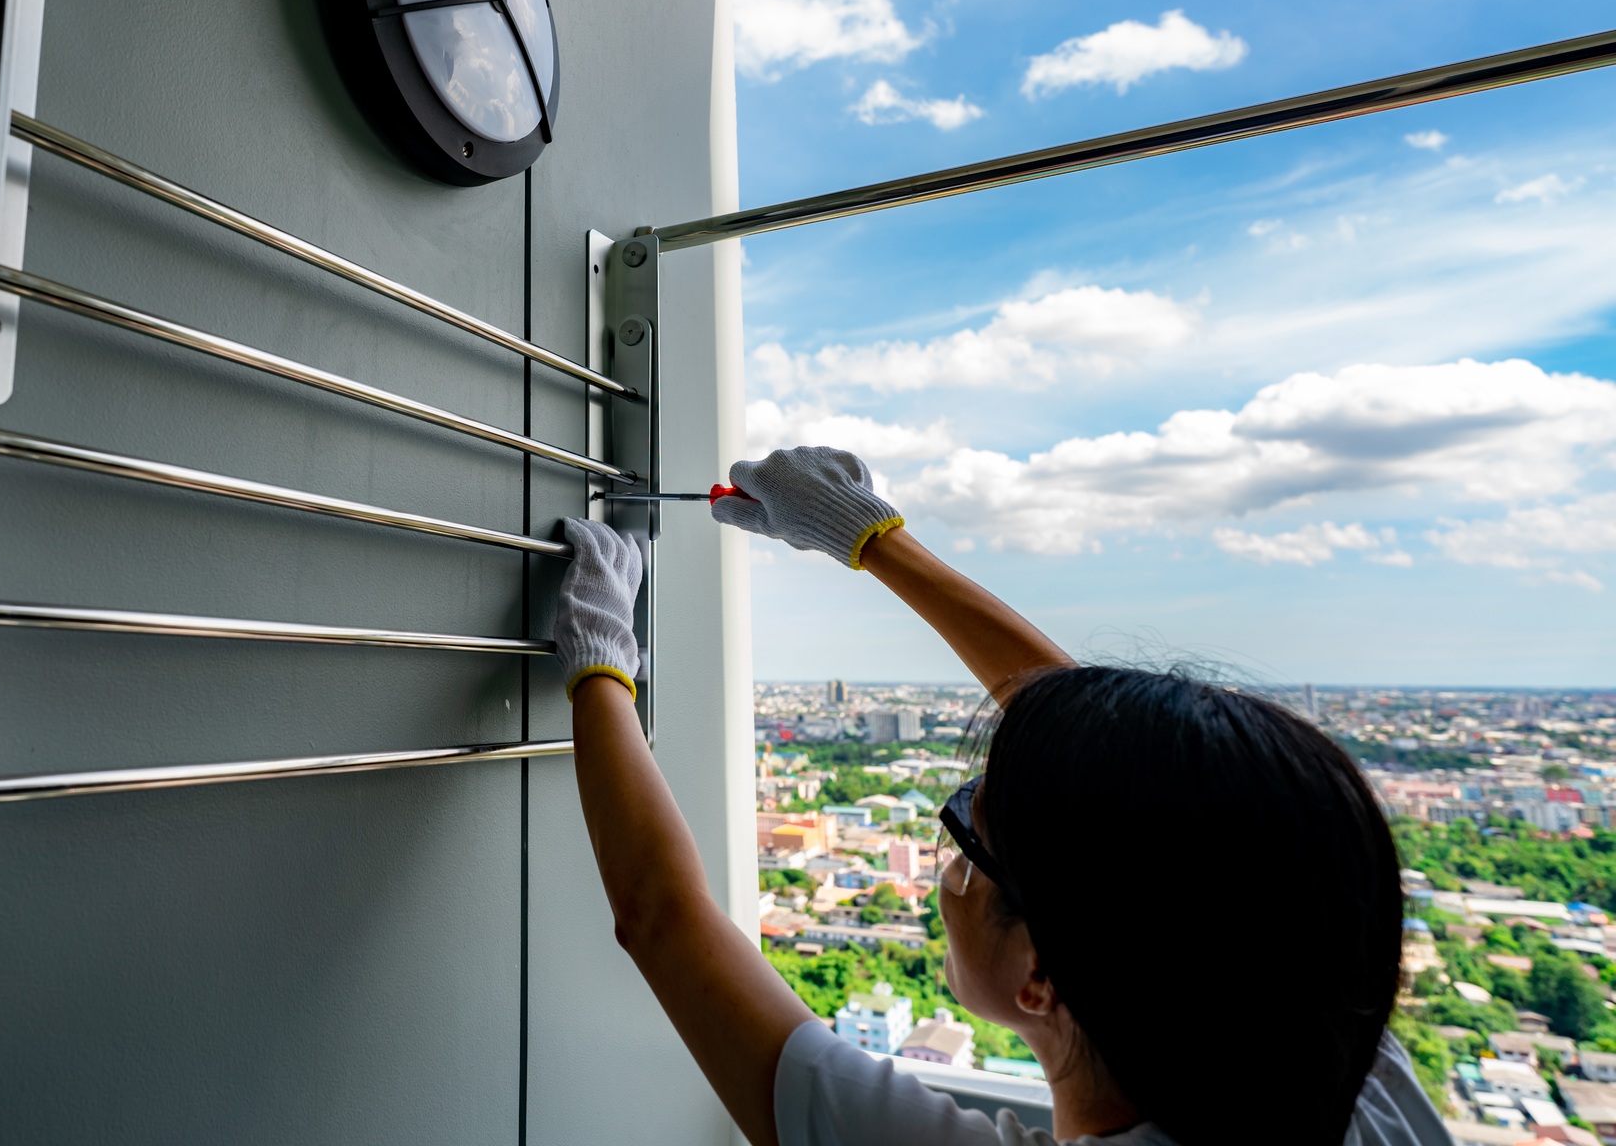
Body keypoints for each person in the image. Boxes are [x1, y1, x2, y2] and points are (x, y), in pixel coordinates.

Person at [551, 446, 1449, 1146]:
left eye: (968, 839)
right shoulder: (1358, 1085)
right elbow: (1138, 777)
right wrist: (867, 536)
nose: (948, 855)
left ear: (1042, 976)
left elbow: (661, 917)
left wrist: (600, 658)